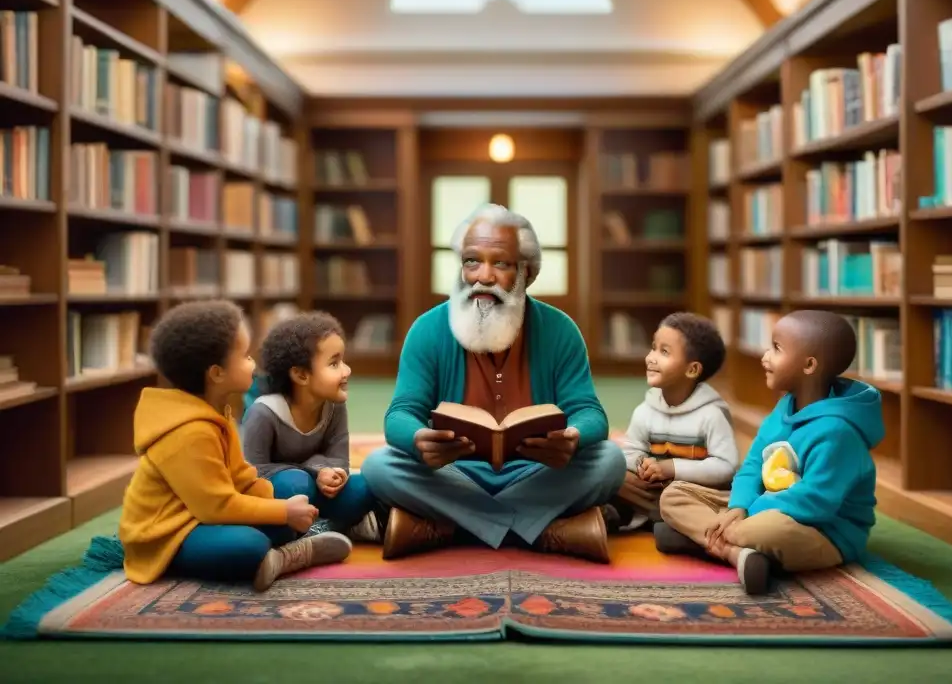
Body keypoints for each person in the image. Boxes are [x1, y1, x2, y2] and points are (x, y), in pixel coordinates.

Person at [360, 203, 626, 563]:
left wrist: (574, 438)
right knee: (379, 466)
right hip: (454, 475)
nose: (482, 276)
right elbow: (401, 414)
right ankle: (545, 531)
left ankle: (451, 529)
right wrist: (419, 439)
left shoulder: (560, 330)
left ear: (527, 273)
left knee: (609, 460)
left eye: (500, 263)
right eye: (472, 261)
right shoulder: (428, 329)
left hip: (538, 473)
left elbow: (589, 412)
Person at [118, 300, 352, 592]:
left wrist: (280, 502)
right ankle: (287, 554)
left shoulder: (217, 410)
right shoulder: (189, 433)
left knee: (285, 504)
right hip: (169, 533)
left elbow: (241, 478)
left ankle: (285, 549)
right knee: (249, 545)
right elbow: (217, 507)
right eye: (244, 356)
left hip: (204, 517)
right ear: (216, 374)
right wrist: (283, 512)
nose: (253, 363)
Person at [658, 310, 883, 595]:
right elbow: (752, 466)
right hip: (763, 508)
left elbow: (815, 502)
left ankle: (699, 539)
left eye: (776, 349)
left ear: (809, 365)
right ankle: (737, 554)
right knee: (674, 495)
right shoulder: (785, 407)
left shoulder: (838, 432)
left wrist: (747, 516)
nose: (765, 356)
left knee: (766, 530)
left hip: (824, 531)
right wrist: (738, 506)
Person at [241, 311, 381, 542]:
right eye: (334, 363)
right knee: (297, 483)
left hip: (319, 492)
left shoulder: (334, 406)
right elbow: (255, 475)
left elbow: (340, 461)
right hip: (286, 495)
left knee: (365, 485)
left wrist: (335, 474)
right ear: (301, 375)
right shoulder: (263, 413)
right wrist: (314, 469)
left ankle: (317, 530)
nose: (347, 370)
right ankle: (331, 528)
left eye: (343, 361)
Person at [610, 312, 737, 534]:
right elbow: (630, 452)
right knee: (610, 472)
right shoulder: (645, 411)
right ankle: (623, 518)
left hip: (692, 496)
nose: (651, 357)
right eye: (653, 347)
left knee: (677, 503)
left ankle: (674, 527)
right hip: (651, 493)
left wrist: (671, 468)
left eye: (664, 351)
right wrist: (644, 465)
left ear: (692, 369)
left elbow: (726, 466)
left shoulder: (711, 415)